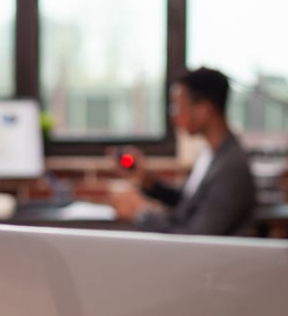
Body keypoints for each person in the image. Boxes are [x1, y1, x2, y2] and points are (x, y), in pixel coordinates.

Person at [109, 67, 258, 235]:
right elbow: (191, 203)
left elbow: (196, 237)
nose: (174, 116)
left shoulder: (231, 167)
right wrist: (147, 180)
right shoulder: (213, 153)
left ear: (204, 110)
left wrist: (141, 213)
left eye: (178, 106)